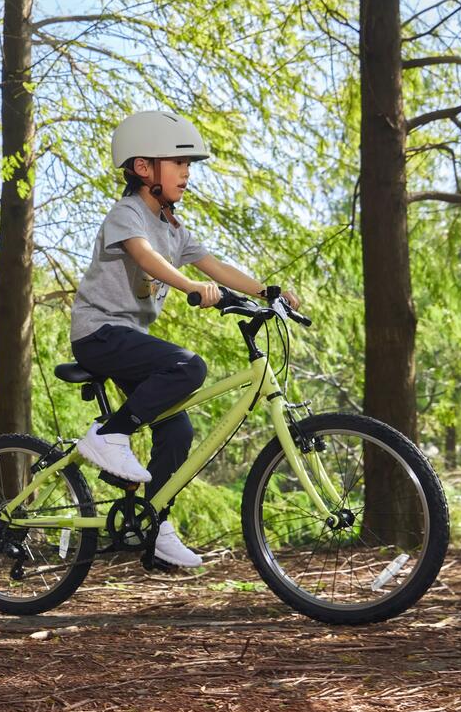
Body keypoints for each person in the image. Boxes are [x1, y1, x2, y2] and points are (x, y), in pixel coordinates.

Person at [68, 109, 300, 568]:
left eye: (189, 165)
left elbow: (216, 267)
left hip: (128, 337)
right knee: (188, 366)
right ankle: (108, 435)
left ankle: (153, 523)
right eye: (178, 163)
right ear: (143, 167)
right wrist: (190, 286)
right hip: (99, 333)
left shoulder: (174, 228)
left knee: (177, 428)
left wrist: (267, 292)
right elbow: (145, 256)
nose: (187, 173)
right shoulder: (127, 214)